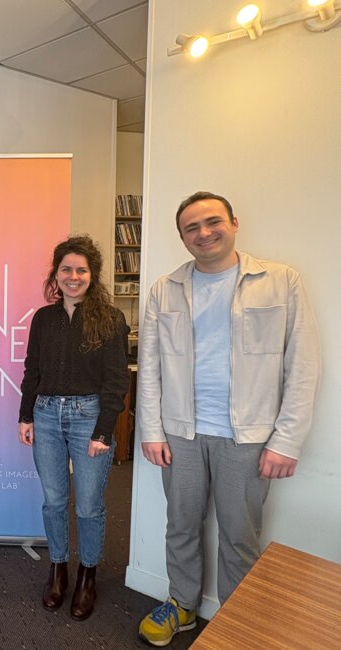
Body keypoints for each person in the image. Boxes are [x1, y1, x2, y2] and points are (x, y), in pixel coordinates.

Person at [137, 192, 320, 647]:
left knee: (239, 535)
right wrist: (152, 430)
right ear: (181, 237)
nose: (203, 233)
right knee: (181, 523)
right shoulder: (166, 288)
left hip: (250, 435)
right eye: (191, 228)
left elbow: (303, 364)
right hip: (181, 433)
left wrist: (287, 440)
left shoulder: (280, 282)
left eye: (212, 222)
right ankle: (181, 603)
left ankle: (238, 620)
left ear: (234, 223)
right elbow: (152, 365)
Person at [18, 235, 129, 621]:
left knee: (89, 505)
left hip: (89, 417)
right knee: (53, 500)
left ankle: (87, 575)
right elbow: (32, 370)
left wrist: (103, 431)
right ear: (56, 273)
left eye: (81, 270)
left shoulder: (111, 320)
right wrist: (25, 415)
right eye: (66, 269)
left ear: (92, 275)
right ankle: (58, 568)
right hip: (46, 415)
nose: (73, 276)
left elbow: (117, 381)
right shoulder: (43, 319)